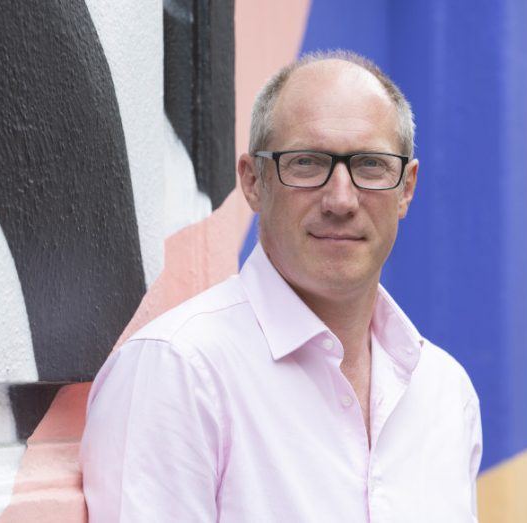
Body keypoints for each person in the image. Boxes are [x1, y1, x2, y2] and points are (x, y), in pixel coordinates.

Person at [80, 50, 482, 522]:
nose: (341, 199)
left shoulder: (443, 392)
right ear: (253, 182)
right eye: (307, 163)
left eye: (371, 165)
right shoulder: (178, 372)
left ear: (406, 188)